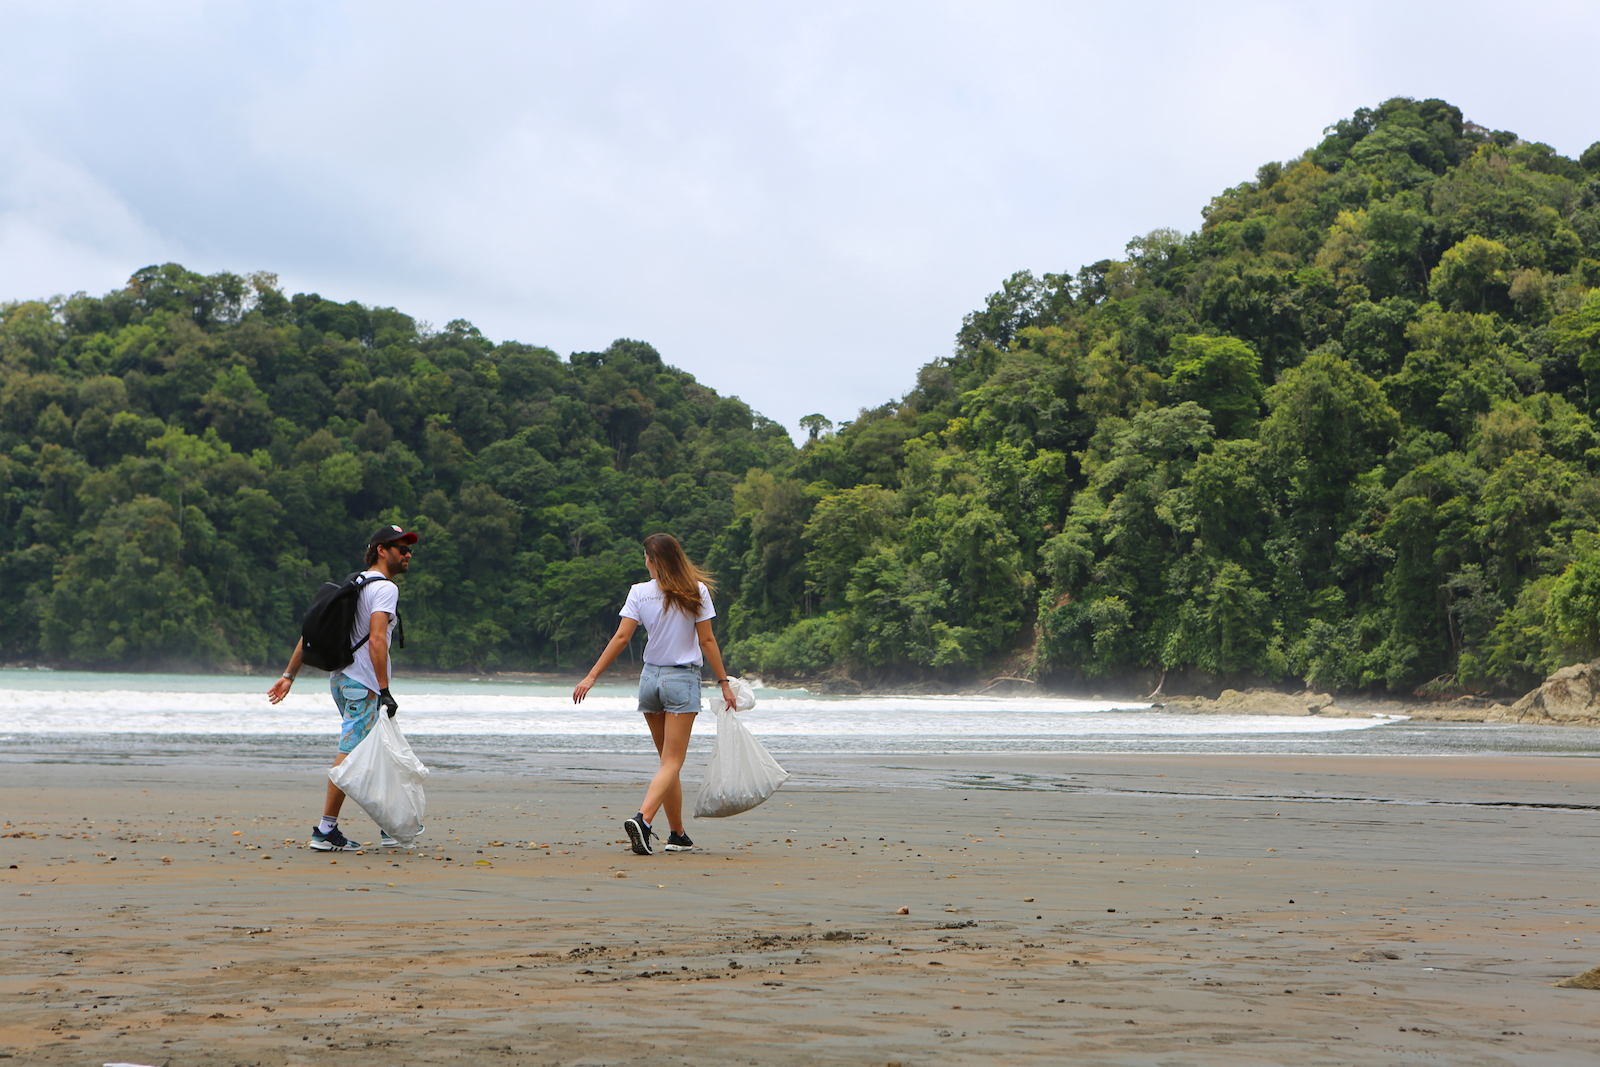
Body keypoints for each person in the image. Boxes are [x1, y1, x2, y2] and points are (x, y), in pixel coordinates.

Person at [573, 532, 735, 855]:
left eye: (646, 558)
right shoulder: (696, 591)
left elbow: (621, 638)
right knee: (673, 762)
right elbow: (707, 642)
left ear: (653, 561)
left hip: (649, 681)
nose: (645, 563)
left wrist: (592, 676)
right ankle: (644, 820)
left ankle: (677, 834)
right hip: (681, 681)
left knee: (667, 763)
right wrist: (724, 682)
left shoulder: (638, 593)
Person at [267, 524, 417, 851]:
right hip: (363, 684)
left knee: (375, 749)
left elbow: (312, 633)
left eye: (409, 549)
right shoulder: (385, 589)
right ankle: (325, 830)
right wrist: (384, 688)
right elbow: (377, 639)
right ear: (381, 549)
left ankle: (389, 827)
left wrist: (290, 675)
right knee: (351, 754)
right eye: (401, 548)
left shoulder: (356, 584)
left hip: (341, 680)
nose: (407, 554)